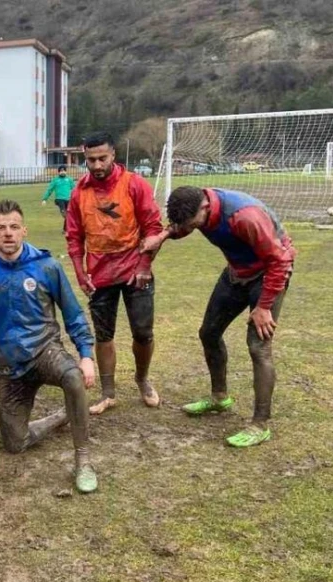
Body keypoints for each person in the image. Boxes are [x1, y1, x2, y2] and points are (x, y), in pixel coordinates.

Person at [141, 186, 296, 447]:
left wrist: (264, 306)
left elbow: (279, 260)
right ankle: (219, 398)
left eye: (192, 224)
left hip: (269, 275)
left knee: (258, 347)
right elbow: (182, 227)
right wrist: (163, 236)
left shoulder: (244, 217)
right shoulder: (197, 207)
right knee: (209, 333)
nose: (188, 229)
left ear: (204, 208)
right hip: (237, 272)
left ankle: (260, 425)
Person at [0, 200, 99, 493]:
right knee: (15, 444)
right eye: (1, 228)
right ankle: (65, 415)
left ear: (24, 230)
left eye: (14, 227)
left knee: (73, 376)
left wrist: (86, 355)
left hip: (44, 352)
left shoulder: (47, 266)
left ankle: (83, 460)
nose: (8, 233)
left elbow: (73, 314)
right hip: (9, 367)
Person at [65, 132, 164, 415]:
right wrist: (80, 272)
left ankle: (142, 380)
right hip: (99, 274)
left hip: (136, 271)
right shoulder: (79, 193)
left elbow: (153, 228)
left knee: (143, 333)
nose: (96, 165)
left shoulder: (134, 184)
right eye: (90, 160)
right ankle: (108, 393)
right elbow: (74, 237)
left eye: (102, 159)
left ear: (113, 155)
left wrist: (145, 265)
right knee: (103, 334)